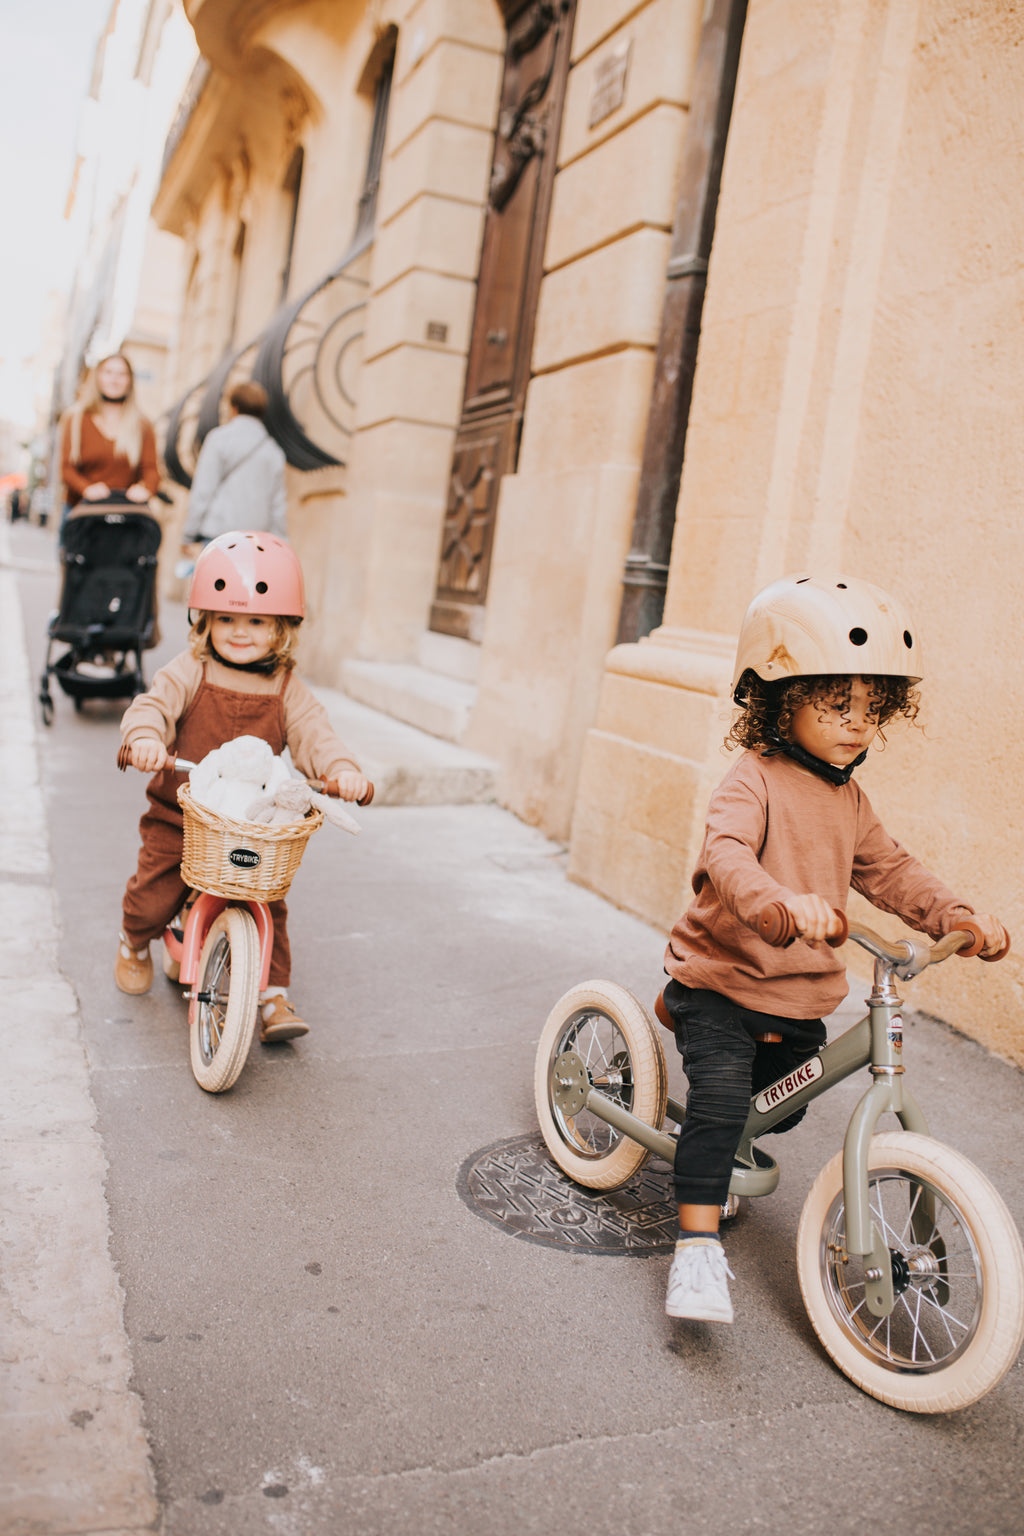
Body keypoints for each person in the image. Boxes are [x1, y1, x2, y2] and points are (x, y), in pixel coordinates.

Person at [662, 573, 1008, 1325]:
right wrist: (777, 902)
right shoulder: (752, 780)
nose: (857, 724)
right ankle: (694, 1250)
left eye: (871, 708)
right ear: (781, 700)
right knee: (720, 1106)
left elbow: (891, 870)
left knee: (776, 1113)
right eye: (835, 703)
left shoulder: (849, 799)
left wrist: (955, 916)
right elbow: (726, 856)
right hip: (724, 982)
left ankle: (717, 1148)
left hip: (797, 993)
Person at [115, 531, 369, 1041]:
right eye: (226, 619)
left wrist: (342, 770)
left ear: (282, 629)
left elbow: (316, 735)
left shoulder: (286, 688)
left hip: (253, 826)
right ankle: (134, 942)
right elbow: (154, 705)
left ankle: (273, 996)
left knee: (268, 903)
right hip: (181, 817)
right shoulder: (191, 670)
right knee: (153, 894)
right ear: (204, 621)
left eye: (257, 621)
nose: (239, 632)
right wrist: (144, 738)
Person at [181, 382, 287, 558]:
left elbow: (203, 491)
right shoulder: (273, 451)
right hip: (256, 542)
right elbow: (278, 506)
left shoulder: (218, 439)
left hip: (219, 537)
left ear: (234, 408)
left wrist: (188, 534)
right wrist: (281, 543)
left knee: (216, 576)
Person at [59, 353, 159, 524]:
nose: (114, 380)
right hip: (82, 515)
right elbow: (67, 469)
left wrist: (146, 489)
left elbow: (151, 470)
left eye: (122, 374)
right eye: (108, 372)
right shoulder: (75, 419)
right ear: (97, 376)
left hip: (124, 516)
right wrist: (87, 489)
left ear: (129, 381)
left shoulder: (142, 425)